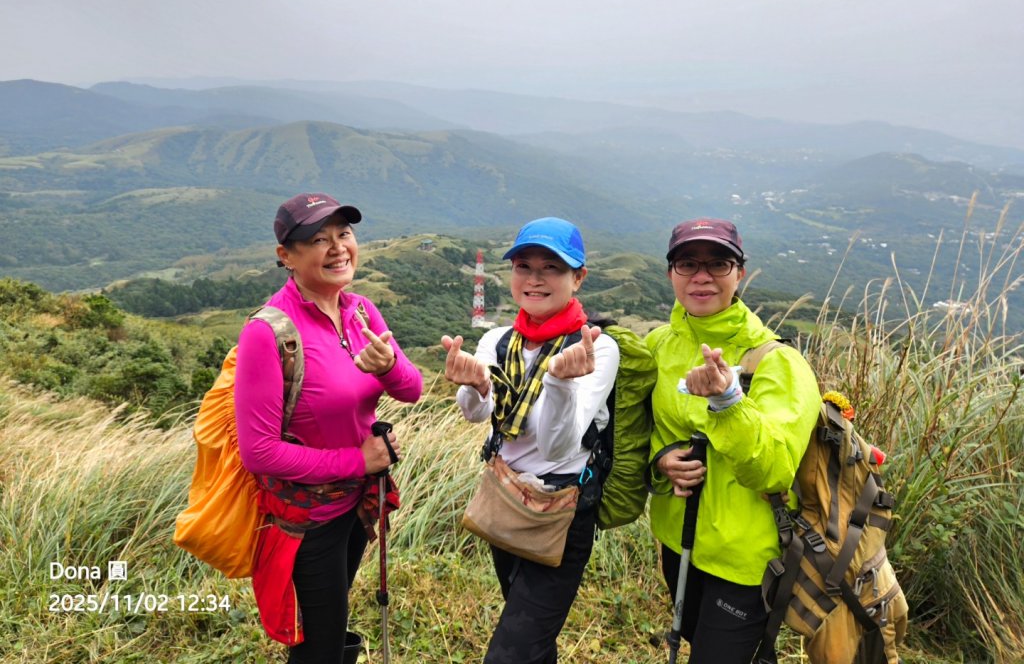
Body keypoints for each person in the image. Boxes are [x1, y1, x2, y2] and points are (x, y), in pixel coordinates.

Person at [235, 192, 423, 664]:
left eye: (344, 233)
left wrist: (388, 369)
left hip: (354, 507)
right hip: (307, 522)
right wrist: (359, 459)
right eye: (319, 238)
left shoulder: (360, 311)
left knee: (329, 628)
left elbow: (412, 388)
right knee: (318, 647)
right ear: (287, 257)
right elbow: (259, 453)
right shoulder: (268, 333)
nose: (338, 247)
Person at [440, 217, 619, 664]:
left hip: (560, 510)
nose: (535, 278)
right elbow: (477, 415)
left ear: (578, 278)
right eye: (524, 265)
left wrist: (559, 382)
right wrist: (474, 386)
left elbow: (560, 448)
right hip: (506, 497)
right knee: (532, 641)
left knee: (511, 652)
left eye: (552, 267)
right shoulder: (499, 340)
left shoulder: (597, 348)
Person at [645, 218, 820, 663]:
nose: (701, 276)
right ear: (671, 274)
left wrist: (728, 402)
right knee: (695, 643)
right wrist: (662, 459)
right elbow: (643, 430)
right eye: (687, 263)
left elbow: (775, 468)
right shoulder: (659, 346)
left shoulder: (779, 363)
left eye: (718, 263)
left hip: (744, 562)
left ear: (739, 274)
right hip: (678, 538)